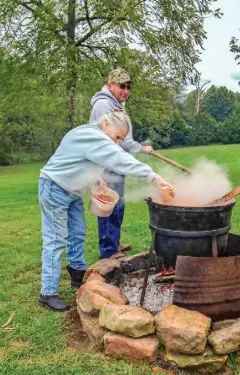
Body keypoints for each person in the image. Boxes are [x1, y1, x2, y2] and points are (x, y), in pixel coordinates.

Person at [38, 112, 173, 312]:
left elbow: (79, 160)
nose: (118, 142)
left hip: (71, 191)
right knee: (56, 238)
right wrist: (153, 176)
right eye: (118, 137)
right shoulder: (91, 135)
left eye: (121, 139)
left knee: (78, 232)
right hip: (54, 188)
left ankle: (77, 274)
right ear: (107, 123)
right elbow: (119, 159)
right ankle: (47, 292)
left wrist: (96, 180)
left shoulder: (92, 135)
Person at [90, 68, 153, 259]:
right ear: (110, 85)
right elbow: (120, 138)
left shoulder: (116, 103)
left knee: (118, 205)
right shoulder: (103, 105)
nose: (125, 91)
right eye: (121, 86)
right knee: (109, 205)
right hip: (106, 163)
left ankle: (114, 243)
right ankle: (108, 252)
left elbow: (123, 136)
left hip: (115, 161)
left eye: (128, 87)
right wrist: (142, 149)